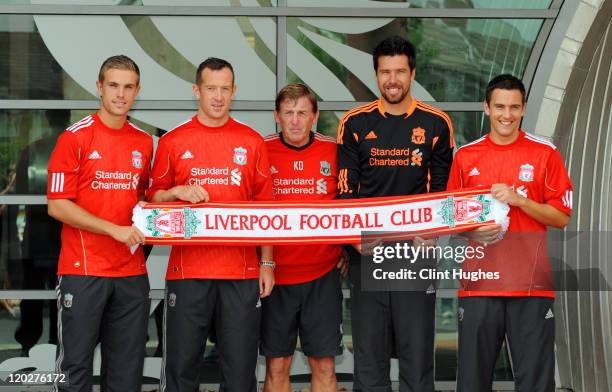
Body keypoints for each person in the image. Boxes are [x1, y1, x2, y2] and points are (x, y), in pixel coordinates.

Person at [147, 57, 274, 392]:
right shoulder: (173, 141)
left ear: (234, 92)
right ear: (196, 90)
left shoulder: (252, 141)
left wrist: (267, 263)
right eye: (210, 88)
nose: (218, 96)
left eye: (225, 89)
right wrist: (175, 191)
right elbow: (151, 204)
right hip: (188, 274)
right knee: (180, 371)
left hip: (242, 275)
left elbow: (267, 212)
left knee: (240, 374)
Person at [336, 36, 454, 391]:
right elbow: (345, 191)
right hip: (367, 254)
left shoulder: (436, 124)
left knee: (416, 360)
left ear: (412, 73)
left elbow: (443, 192)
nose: (392, 79)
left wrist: (431, 235)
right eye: (385, 71)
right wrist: (354, 241)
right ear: (376, 75)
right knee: (369, 362)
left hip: (414, 255)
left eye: (399, 71)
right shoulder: (354, 123)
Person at [447, 74, 573, 392]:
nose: (507, 114)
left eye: (514, 107)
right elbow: (450, 222)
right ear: (486, 108)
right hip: (479, 286)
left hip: (531, 287)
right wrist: (473, 234)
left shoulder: (545, 153)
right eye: (500, 106)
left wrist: (520, 200)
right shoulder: (465, 156)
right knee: (472, 383)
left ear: (524, 108)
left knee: (535, 384)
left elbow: (561, 217)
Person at [47, 55, 153, 392]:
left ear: (137, 91)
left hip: (131, 274)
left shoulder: (144, 142)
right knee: (74, 369)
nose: (121, 94)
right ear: (99, 87)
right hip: (84, 271)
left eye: (128, 87)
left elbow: (144, 201)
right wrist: (113, 229)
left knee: (125, 372)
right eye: (113, 85)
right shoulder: (75, 138)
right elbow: (57, 205)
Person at [262, 83, 346, 392]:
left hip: (322, 276)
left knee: (324, 365)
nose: (295, 120)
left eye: (302, 113)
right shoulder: (261, 149)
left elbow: (350, 206)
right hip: (275, 277)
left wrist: (346, 250)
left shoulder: (334, 151)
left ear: (315, 116)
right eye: (288, 113)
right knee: (277, 365)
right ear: (277, 116)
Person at [14, 110, 70, 356]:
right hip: (65, 232)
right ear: (68, 117)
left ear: (47, 118)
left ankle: (27, 345)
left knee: (33, 295)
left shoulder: (32, 149)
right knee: (62, 293)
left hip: (37, 232)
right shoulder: (74, 148)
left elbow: (20, 194)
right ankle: (57, 343)